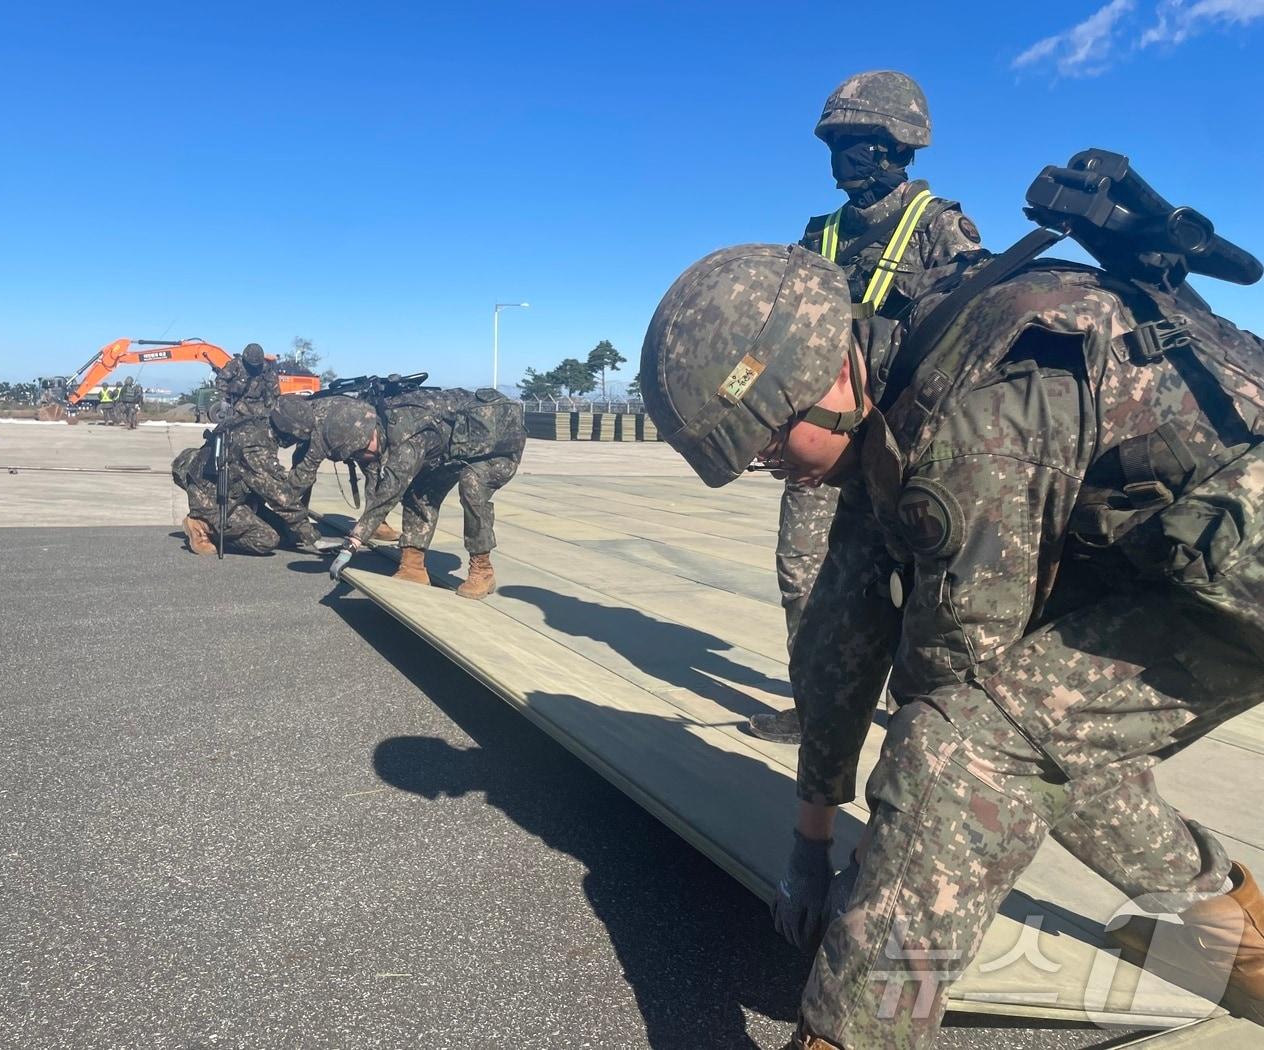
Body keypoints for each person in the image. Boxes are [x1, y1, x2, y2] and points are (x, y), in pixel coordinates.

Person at [640, 242, 1264, 1046]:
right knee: (1046, 737)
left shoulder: (977, 424)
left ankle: (853, 1038)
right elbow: (841, 632)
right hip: (1169, 561)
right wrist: (810, 840)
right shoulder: (892, 391)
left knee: (966, 746)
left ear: (831, 373)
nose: (770, 467)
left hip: (1235, 588)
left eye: (768, 441)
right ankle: (1240, 939)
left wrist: (871, 908)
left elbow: (954, 699)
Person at [758, 70, 989, 747]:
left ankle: (911, 712)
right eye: (836, 143)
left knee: (922, 590)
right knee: (804, 577)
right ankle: (818, 704)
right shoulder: (818, 234)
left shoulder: (940, 228)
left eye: (857, 141)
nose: (842, 157)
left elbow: (973, 339)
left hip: (905, 448)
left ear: (898, 144)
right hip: (823, 443)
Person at [287, 390, 526, 599]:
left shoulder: (406, 438)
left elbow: (389, 490)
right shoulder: (384, 422)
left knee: (472, 483)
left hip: (500, 446)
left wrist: (353, 543)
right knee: (419, 491)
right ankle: (413, 565)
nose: (363, 461)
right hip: (456, 449)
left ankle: (482, 570)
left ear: (369, 439)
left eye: (361, 455)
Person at [172, 412, 322, 556]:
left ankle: (223, 521)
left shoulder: (257, 423)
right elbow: (279, 496)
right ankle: (201, 524)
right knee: (266, 540)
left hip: (231, 493)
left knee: (287, 533)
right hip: (214, 500)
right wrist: (312, 536)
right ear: (287, 430)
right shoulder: (255, 448)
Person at [268, 395, 401, 540]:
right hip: (331, 429)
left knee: (374, 474)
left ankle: (375, 524)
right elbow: (302, 477)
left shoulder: (365, 426)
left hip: (357, 428)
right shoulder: (315, 429)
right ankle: (291, 519)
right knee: (302, 475)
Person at [215, 342, 280, 421]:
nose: (254, 368)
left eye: (257, 365)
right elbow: (221, 380)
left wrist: (272, 405)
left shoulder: (266, 368)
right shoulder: (236, 364)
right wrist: (225, 399)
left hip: (260, 407)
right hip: (238, 406)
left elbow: (274, 388)